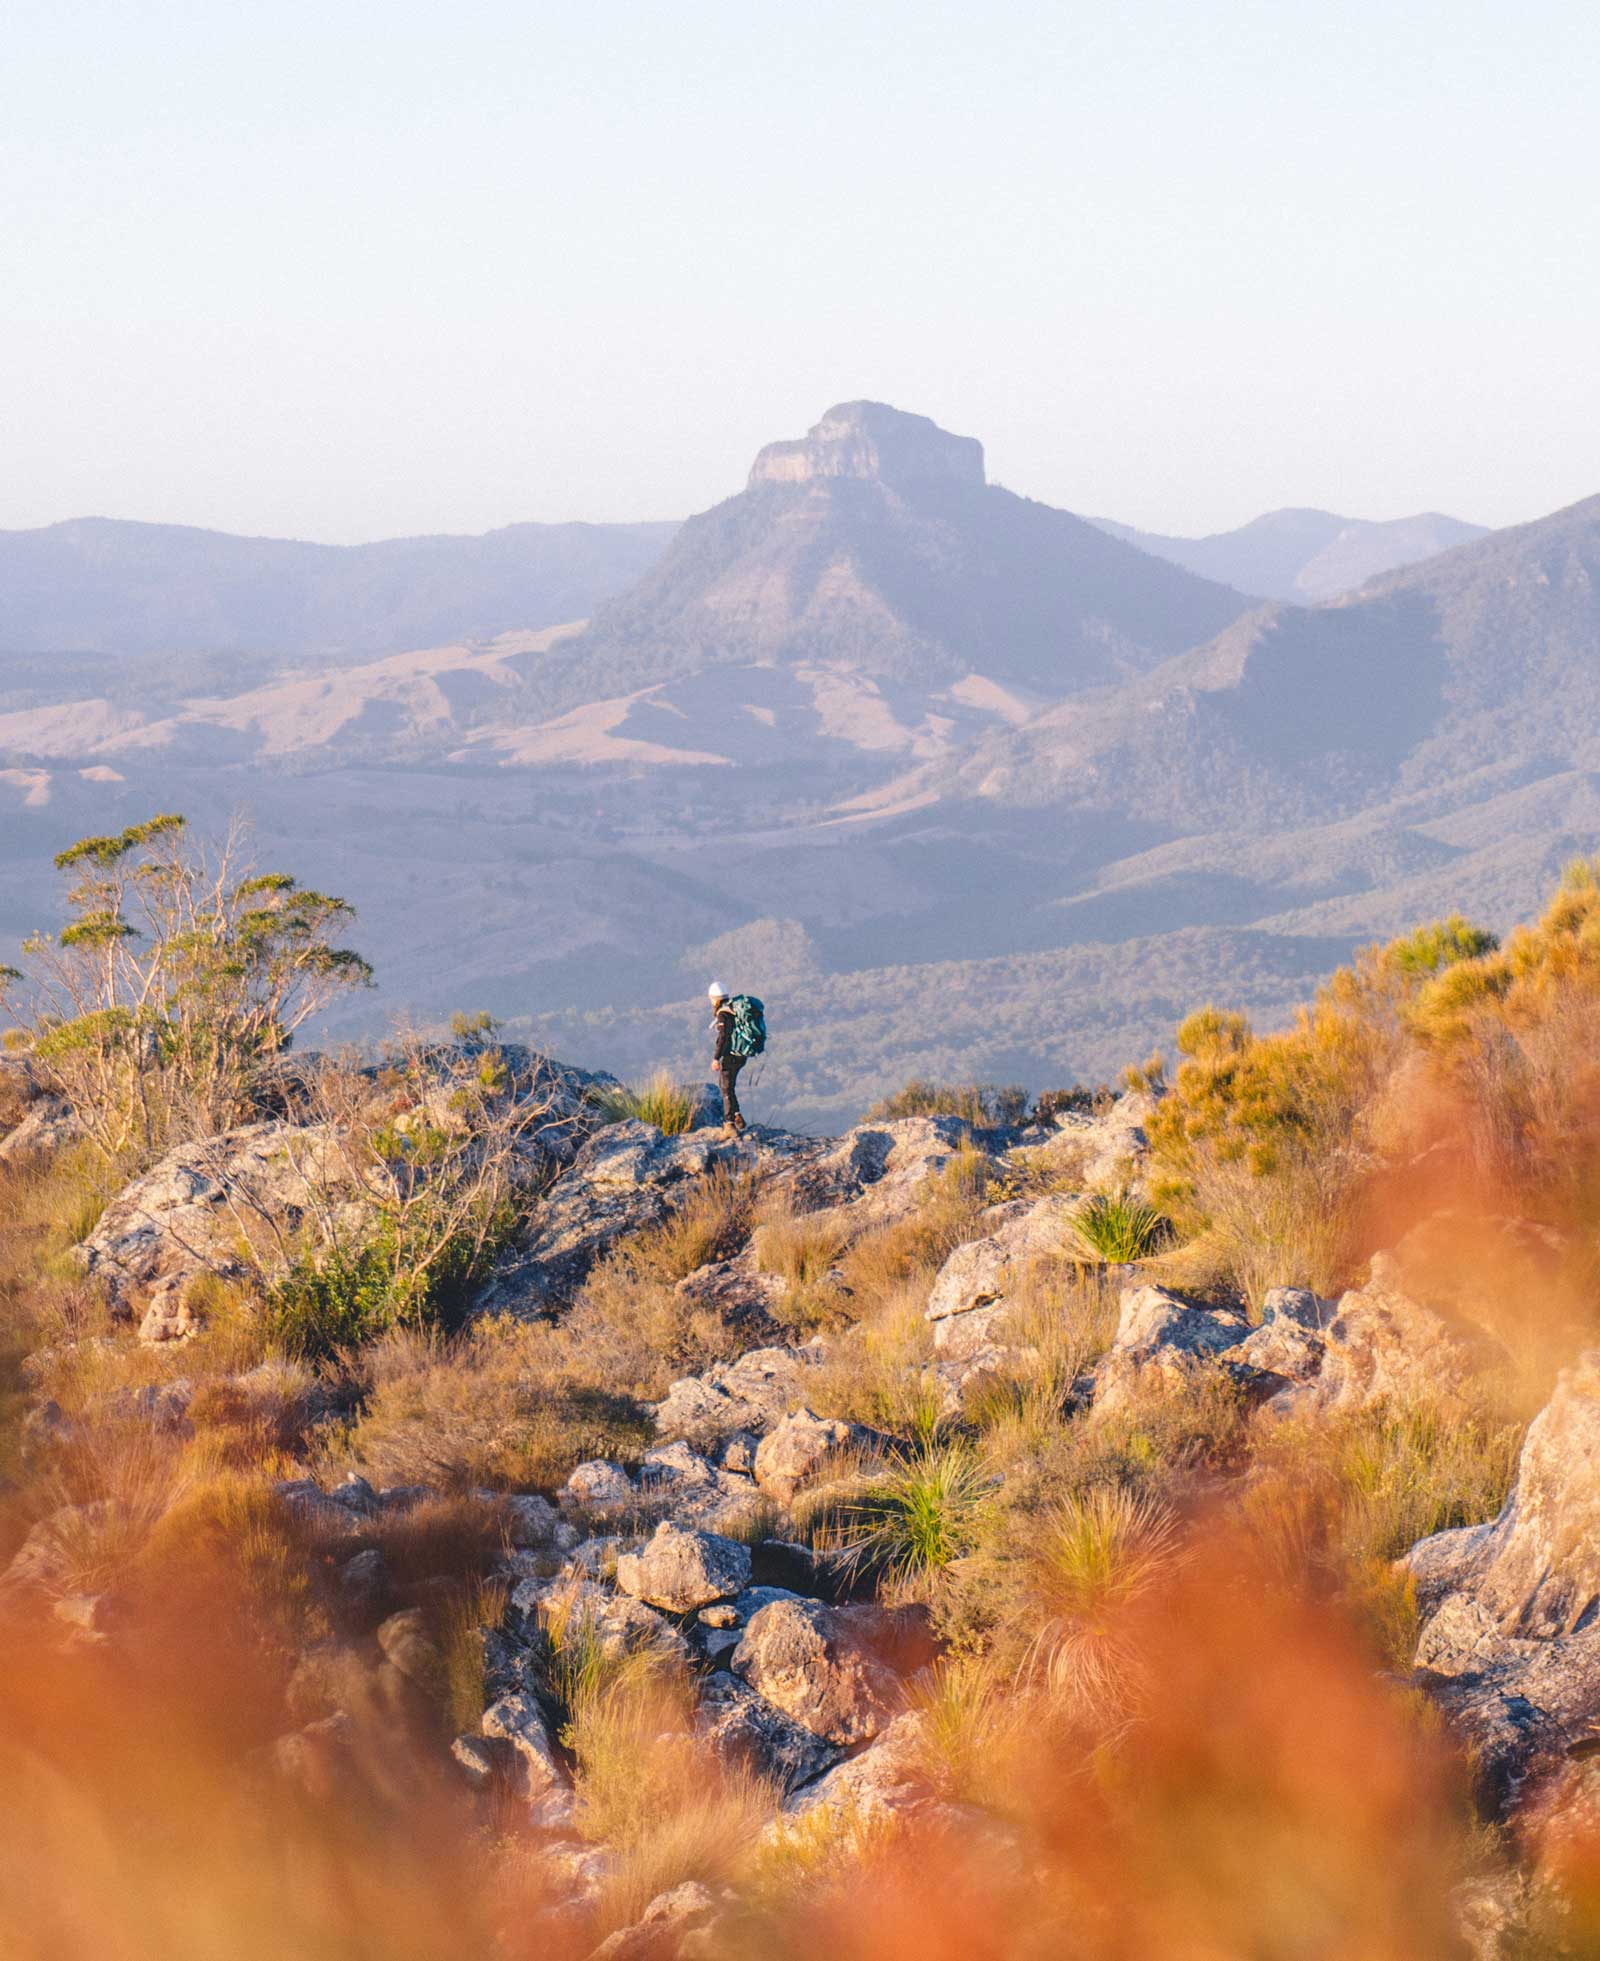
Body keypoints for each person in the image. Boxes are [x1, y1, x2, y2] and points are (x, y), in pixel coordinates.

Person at [708, 980, 747, 1137]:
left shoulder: (723, 1013)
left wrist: (716, 1058)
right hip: (741, 1054)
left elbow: (723, 1037)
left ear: (714, 998)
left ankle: (729, 1125)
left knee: (725, 1089)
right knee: (729, 1086)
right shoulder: (733, 1009)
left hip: (730, 1055)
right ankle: (737, 1115)